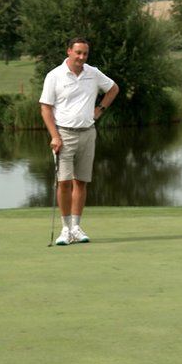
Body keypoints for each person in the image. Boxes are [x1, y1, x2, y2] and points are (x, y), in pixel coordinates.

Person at [40, 37, 119, 246]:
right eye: (78, 53)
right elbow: (45, 108)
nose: (82, 57)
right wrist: (54, 136)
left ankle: (76, 227)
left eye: (85, 53)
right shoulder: (54, 76)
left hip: (87, 132)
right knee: (64, 182)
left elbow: (113, 89)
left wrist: (99, 110)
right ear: (69, 51)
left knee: (81, 181)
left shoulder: (92, 73)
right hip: (63, 135)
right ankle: (65, 230)